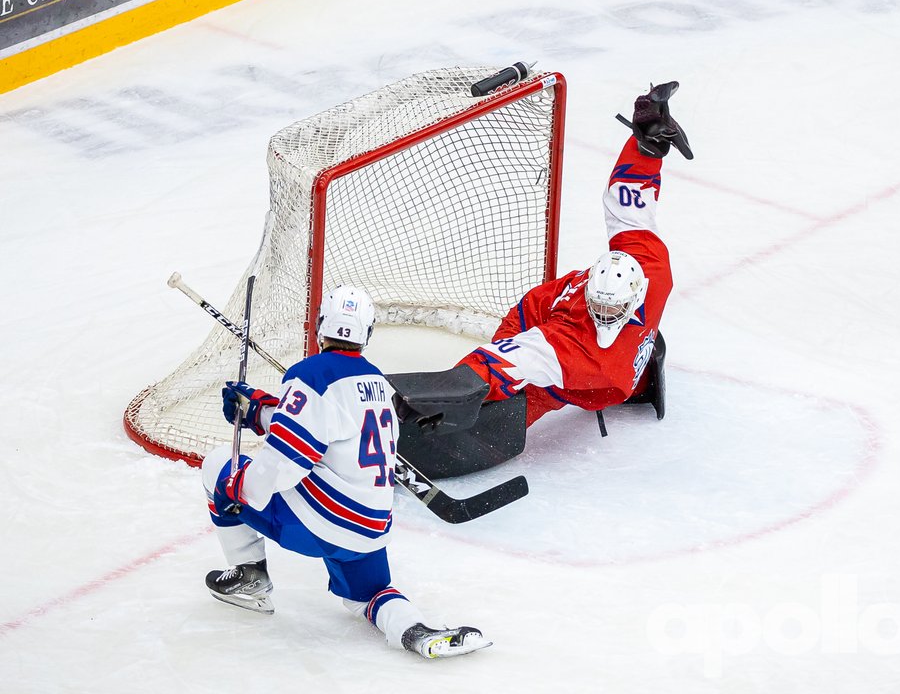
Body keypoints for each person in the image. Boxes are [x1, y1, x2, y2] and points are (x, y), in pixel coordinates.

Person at [388, 82, 692, 477]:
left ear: (636, 297)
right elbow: (499, 360)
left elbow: (630, 207)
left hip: (593, 376)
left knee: (531, 391)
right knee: (502, 401)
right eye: (596, 304)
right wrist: (647, 150)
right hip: (574, 358)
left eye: (610, 307)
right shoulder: (597, 308)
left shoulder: (645, 275)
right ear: (587, 288)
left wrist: (646, 148)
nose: (602, 313)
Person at [202, 284, 490, 659]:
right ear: (366, 333)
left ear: (321, 325)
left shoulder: (312, 375)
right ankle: (416, 632)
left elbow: (284, 462)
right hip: (369, 531)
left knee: (216, 466)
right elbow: (328, 427)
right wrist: (259, 411)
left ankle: (249, 577)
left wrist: (239, 487)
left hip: (317, 526)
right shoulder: (379, 384)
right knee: (369, 595)